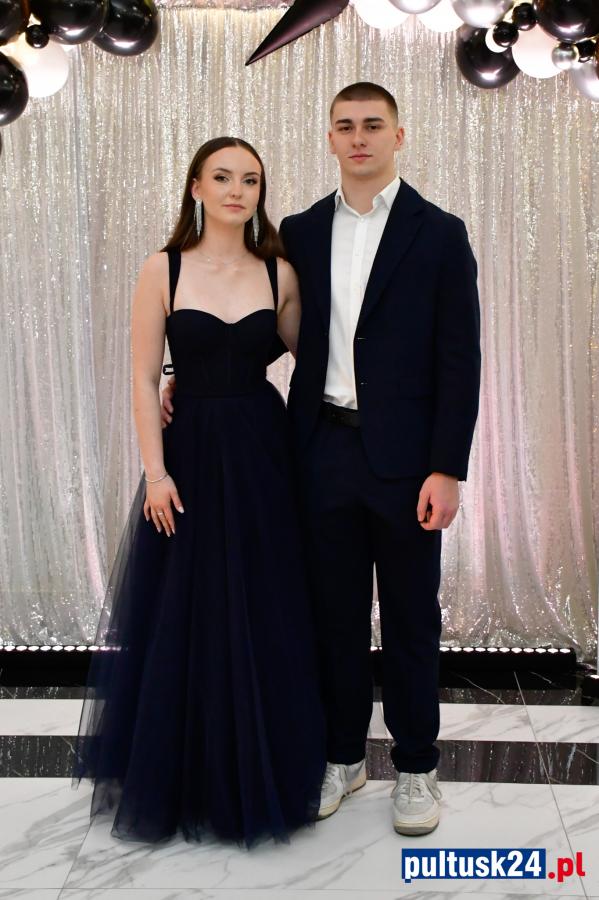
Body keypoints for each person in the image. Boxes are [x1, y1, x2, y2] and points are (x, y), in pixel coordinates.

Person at [163, 82, 481, 836]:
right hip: (317, 450)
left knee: (409, 618)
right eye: (345, 126)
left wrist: (447, 467)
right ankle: (343, 756)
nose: (358, 137)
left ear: (398, 136)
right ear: (330, 138)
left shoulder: (440, 233)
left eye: (373, 125)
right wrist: (188, 372)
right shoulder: (300, 232)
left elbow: (459, 359)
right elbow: (257, 318)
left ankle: (416, 767)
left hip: (407, 464)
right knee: (330, 617)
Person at [73, 136, 326, 847]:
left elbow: (316, 366)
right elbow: (141, 379)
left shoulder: (278, 272)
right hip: (184, 458)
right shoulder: (164, 267)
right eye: (222, 177)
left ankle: (260, 768)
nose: (237, 191)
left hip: (262, 455)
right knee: (185, 609)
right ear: (195, 187)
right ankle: (184, 775)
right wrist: (156, 474)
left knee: (260, 602)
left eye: (250, 180)